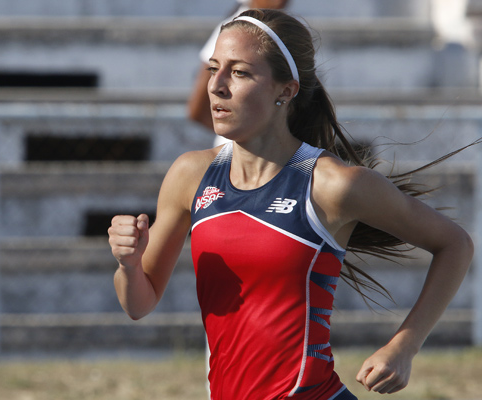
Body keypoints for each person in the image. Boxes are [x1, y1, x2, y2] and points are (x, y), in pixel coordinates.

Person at [109, 8, 474, 400]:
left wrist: (404, 346)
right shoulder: (189, 175)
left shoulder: (332, 184)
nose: (216, 85)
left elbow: (455, 244)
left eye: (239, 72)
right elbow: (138, 303)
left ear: (286, 90)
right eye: (213, 68)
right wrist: (129, 264)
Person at [187, 0, 290, 144]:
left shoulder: (286, 31)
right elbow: (197, 109)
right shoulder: (233, 32)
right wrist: (242, 138)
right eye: (239, 72)